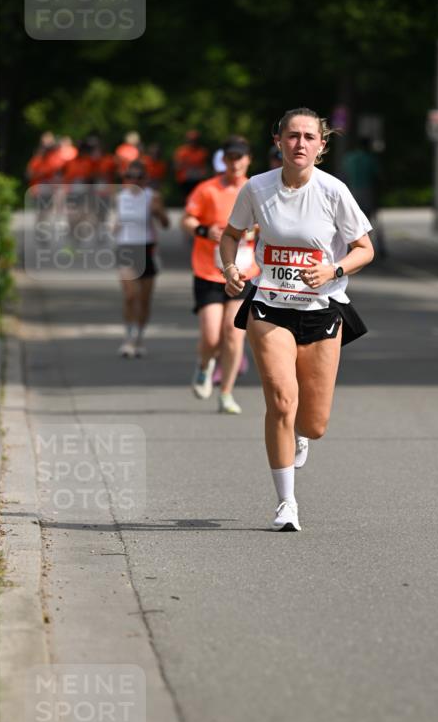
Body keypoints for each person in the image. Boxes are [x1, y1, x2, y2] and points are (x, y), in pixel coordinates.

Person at [221, 107, 374, 531]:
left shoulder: (333, 191)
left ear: (321, 146)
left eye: (309, 137)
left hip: (321, 310)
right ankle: (286, 503)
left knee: (314, 423)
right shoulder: (257, 188)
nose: (300, 143)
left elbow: (364, 248)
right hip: (270, 306)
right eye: (292, 136)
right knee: (281, 401)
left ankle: (301, 434)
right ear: (278, 140)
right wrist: (231, 268)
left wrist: (333, 270)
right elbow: (232, 235)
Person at [182, 136, 258, 413]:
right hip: (209, 271)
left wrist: (257, 229)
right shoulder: (207, 189)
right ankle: (204, 366)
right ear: (223, 160)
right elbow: (187, 220)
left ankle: (226, 393)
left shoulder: (257, 189)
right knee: (212, 336)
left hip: (245, 271)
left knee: (233, 333)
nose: (235, 163)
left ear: (248, 159)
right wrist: (205, 231)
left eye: (240, 157)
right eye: (230, 158)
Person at [114, 160, 169, 358]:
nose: (134, 181)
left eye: (139, 178)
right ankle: (128, 337)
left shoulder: (152, 196)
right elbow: (115, 222)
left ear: (146, 179)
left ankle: (139, 338)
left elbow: (165, 224)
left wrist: (157, 211)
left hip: (147, 247)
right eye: (130, 177)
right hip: (126, 248)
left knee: (144, 300)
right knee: (130, 296)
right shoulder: (119, 197)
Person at [343, 136, 387, 257]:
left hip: (352, 191)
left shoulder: (349, 158)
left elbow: (344, 175)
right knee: (372, 220)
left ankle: (348, 248)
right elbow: (378, 177)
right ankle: (379, 247)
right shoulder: (370, 159)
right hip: (367, 191)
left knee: (350, 220)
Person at [174, 129, 209, 202]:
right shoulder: (182, 152)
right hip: (185, 180)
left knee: (198, 196)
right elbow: (177, 166)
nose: (193, 142)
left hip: (197, 179)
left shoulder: (202, 151)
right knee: (187, 198)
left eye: (195, 140)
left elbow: (204, 167)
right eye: (191, 140)